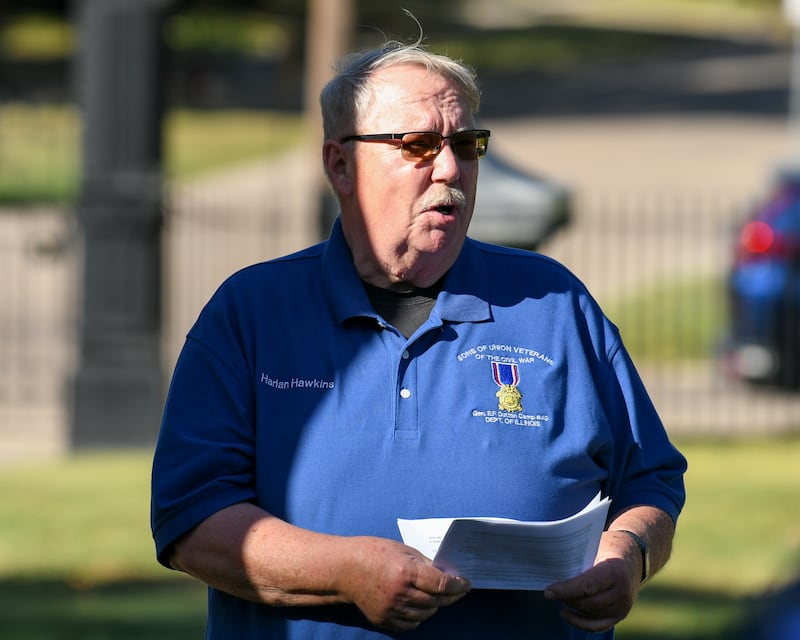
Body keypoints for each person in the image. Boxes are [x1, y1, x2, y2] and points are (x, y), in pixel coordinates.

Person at [150, 37, 687, 640]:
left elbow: (649, 481)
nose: (451, 168)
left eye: (466, 144)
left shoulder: (554, 303)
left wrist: (629, 555)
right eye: (418, 146)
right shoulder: (251, 312)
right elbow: (191, 518)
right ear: (340, 165)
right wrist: (346, 572)